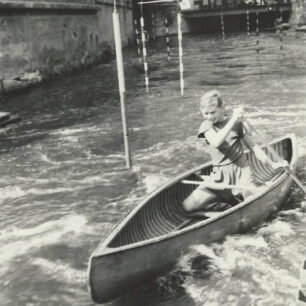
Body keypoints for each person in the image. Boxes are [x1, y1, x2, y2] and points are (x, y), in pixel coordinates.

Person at [182, 90, 287, 213]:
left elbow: (254, 148)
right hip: (219, 176)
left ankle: (237, 199)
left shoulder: (237, 124)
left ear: (222, 108)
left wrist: (273, 164)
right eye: (206, 113)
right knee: (187, 207)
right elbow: (216, 141)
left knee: (251, 205)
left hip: (242, 174)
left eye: (213, 112)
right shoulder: (206, 125)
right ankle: (227, 201)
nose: (209, 116)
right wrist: (233, 120)